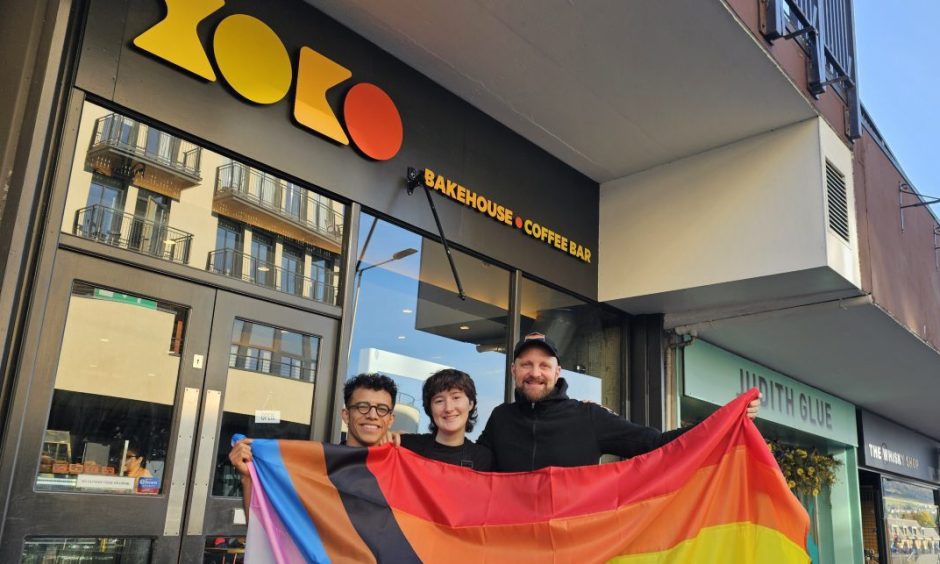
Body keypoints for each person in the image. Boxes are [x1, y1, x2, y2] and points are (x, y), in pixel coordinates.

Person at [477, 332, 761, 472]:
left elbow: (656, 444)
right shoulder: (501, 418)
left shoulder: (588, 416)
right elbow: (469, 468)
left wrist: (724, 419)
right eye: (526, 365)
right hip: (511, 548)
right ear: (514, 371)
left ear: (557, 372)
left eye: (544, 365)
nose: (535, 373)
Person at [228, 373, 399, 516]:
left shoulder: (401, 473)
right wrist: (248, 478)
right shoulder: (318, 468)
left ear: (390, 419)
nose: (372, 415)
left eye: (382, 409)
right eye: (363, 406)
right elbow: (272, 530)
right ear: (346, 415)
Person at [400, 369, 492, 470]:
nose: (448, 408)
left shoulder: (483, 459)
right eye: (439, 401)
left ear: (470, 404)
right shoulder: (406, 445)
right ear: (429, 409)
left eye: (456, 397)